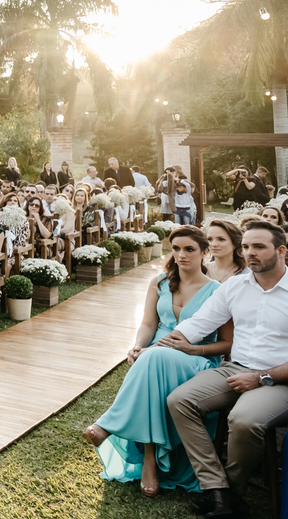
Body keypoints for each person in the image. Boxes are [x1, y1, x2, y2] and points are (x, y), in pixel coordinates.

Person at [83, 226, 230, 496]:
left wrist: (194, 349)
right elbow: (148, 324)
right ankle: (150, 457)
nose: (181, 255)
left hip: (196, 358)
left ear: (204, 252)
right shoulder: (159, 282)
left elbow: (227, 343)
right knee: (152, 358)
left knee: (153, 359)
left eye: (189, 249)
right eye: (176, 249)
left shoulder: (217, 291)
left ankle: (108, 425)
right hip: (155, 354)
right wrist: (138, 346)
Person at [164, 221, 288, 518]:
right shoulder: (235, 286)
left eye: (259, 247)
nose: (250, 253)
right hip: (234, 368)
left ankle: (232, 494)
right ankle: (217, 489)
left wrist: (261, 377)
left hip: (279, 379)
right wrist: (161, 344)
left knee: (244, 420)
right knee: (180, 400)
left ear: (282, 251)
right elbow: (200, 322)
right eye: (246, 246)